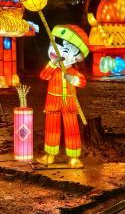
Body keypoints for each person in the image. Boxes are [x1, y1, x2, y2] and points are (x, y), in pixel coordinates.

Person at [38, 25, 89, 168]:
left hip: (69, 103)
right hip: (53, 102)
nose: (57, 51)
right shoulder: (53, 69)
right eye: (54, 46)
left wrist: (74, 80)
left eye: (65, 50)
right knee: (51, 128)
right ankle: (50, 155)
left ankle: (74, 157)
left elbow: (82, 82)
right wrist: (52, 64)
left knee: (72, 129)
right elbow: (43, 75)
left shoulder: (72, 71)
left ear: (76, 57)